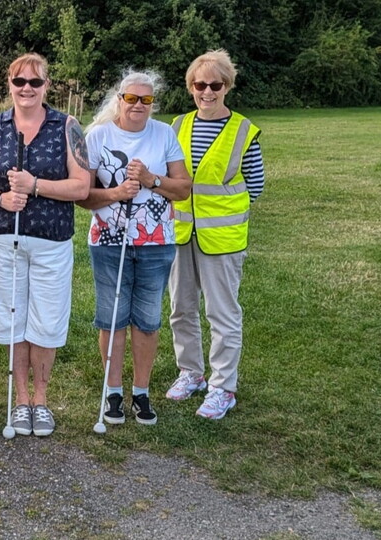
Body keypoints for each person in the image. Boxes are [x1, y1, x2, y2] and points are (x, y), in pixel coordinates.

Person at [0, 53, 91, 437]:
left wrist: (35, 185)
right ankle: (21, 401)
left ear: (46, 86)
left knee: (47, 323)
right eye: (20, 81)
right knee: (14, 320)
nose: (26, 89)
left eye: (35, 82)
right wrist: (0, 198)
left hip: (51, 241)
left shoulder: (67, 126)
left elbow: (82, 186)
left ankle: (41, 399)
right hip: (6, 239)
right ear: (10, 83)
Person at [78, 70, 192, 426]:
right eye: (132, 98)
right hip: (109, 242)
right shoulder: (98, 136)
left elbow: (183, 188)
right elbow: (83, 195)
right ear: (119, 100)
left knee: (146, 320)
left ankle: (140, 393)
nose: (139, 105)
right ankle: (113, 392)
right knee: (112, 318)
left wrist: (150, 181)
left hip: (156, 242)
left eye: (146, 100)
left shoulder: (164, 134)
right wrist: (116, 194)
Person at [166, 49, 265, 420]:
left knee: (222, 314)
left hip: (221, 239)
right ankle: (190, 372)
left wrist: (224, 213)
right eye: (200, 84)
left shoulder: (243, 130)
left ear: (227, 86)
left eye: (215, 85)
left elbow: (254, 184)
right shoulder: (177, 125)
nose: (207, 91)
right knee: (181, 308)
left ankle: (223, 387)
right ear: (191, 86)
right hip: (180, 233)